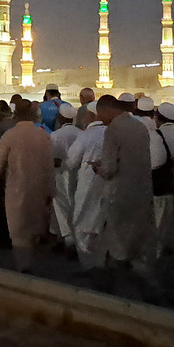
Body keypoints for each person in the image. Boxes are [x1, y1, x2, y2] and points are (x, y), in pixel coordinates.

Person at [95, 95, 158, 282]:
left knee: (117, 241)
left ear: (107, 110)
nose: (100, 119)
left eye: (100, 114)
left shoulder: (114, 129)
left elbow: (109, 169)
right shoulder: (139, 126)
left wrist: (96, 168)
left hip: (119, 194)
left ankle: (116, 283)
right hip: (142, 192)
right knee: (137, 239)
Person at [0, 101, 55, 272]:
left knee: (19, 234)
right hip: (39, 191)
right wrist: (51, 192)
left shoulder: (9, 135)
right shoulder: (43, 135)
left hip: (15, 190)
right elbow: (49, 168)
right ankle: (29, 267)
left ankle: (23, 268)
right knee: (34, 230)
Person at [66, 100, 109, 269]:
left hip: (88, 182)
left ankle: (88, 263)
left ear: (91, 116)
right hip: (109, 182)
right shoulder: (111, 132)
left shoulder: (86, 135)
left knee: (81, 220)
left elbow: (71, 161)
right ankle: (101, 263)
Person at [49, 103, 81, 251]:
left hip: (60, 174)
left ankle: (68, 240)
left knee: (61, 205)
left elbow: (52, 157)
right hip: (78, 174)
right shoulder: (80, 133)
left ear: (60, 118)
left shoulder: (56, 135)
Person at [152, 102, 174, 259]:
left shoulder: (157, 135)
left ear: (158, 117)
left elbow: (155, 162)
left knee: (159, 222)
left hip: (164, 186)